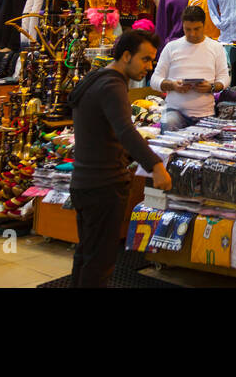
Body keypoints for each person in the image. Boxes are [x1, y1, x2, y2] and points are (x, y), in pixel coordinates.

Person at [68, 29, 172, 287]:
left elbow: (109, 130)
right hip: (103, 185)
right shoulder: (112, 85)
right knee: (99, 261)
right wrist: (156, 166)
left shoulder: (96, 79)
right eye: (146, 59)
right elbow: (125, 130)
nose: (149, 67)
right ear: (126, 55)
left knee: (87, 253)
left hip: (85, 181)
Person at [149, 5, 228, 131]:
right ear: (182, 26)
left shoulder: (216, 47)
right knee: (169, 125)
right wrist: (173, 85)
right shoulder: (171, 47)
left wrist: (211, 87)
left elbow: (224, 78)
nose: (192, 34)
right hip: (174, 111)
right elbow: (154, 80)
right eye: (188, 29)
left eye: (197, 29)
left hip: (205, 113)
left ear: (204, 25)